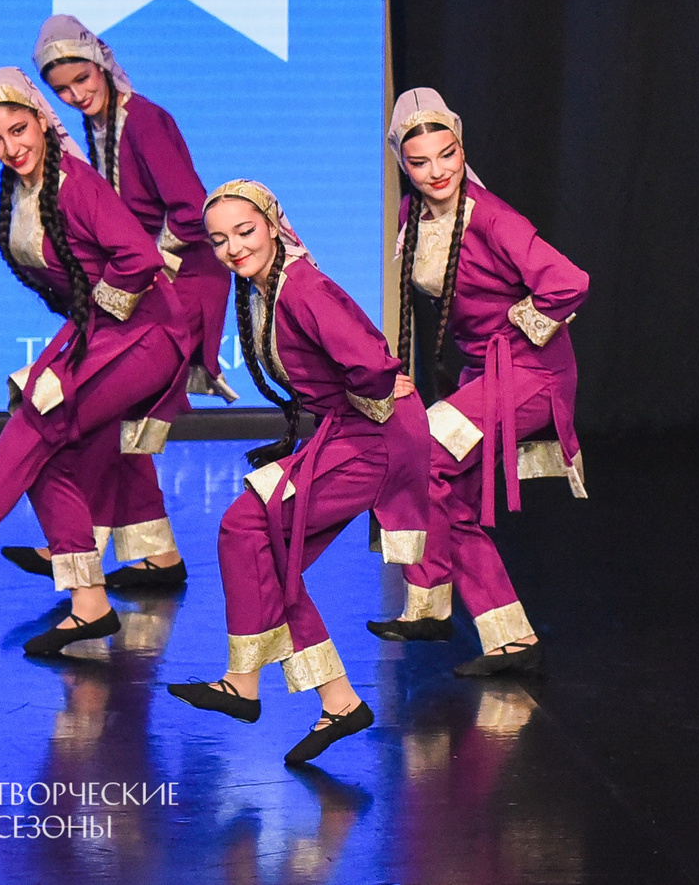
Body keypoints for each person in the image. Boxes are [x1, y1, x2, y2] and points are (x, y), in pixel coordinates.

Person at [0, 69, 193, 656]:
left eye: (18, 130)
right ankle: (89, 603)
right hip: (104, 334)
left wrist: (98, 316)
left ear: (43, 121)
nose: (10, 147)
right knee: (44, 446)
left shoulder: (76, 184)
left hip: (146, 334)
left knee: (38, 422)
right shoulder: (24, 189)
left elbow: (141, 259)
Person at [166, 180, 430, 764]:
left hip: (375, 437)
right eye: (219, 240)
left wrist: (377, 391)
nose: (233, 248)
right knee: (265, 550)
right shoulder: (269, 287)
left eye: (244, 231)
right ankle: (337, 700)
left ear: (273, 225)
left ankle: (243, 683)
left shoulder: (301, 288)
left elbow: (370, 364)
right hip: (354, 431)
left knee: (245, 526)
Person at [0, 15, 234, 589]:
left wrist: (138, 273)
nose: (77, 95)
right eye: (62, 90)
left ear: (102, 62)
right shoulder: (98, 127)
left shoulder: (145, 121)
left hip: (180, 280)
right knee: (120, 423)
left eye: (82, 79)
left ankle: (74, 544)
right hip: (148, 282)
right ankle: (156, 557)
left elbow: (191, 212)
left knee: (93, 414)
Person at [365, 88, 589, 677]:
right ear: (402, 164)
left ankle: (430, 603)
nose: (437, 171)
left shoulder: (490, 217)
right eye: (420, 162)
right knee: (450, 501)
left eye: (448, 154)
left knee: (419, 452)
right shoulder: (414, 215)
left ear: (463, 149)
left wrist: (517, 326)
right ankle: (510, 639)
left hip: (530, 373)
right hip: (484, 374)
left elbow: (569, 283)